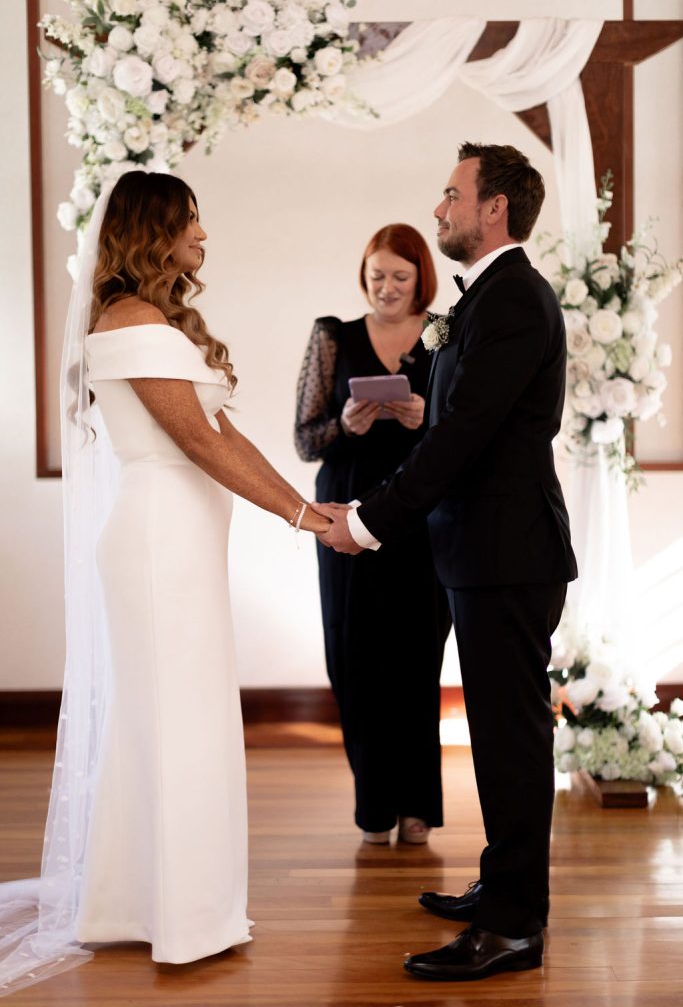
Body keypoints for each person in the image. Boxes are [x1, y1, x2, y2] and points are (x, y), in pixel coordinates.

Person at [0, 170, 330, 992]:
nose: (203, 237)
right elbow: (201, 445)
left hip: (174, 541)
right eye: (190, 223)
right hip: (156, 543)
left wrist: (314, 508)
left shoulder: (149, 320)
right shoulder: (132, 320)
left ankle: (132, 904)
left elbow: (225, 434)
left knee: (174, 719)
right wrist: (302, 519)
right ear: (154, 231)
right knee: (173, 721)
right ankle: (178, 917)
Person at [315, 143, 578, 981]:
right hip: (480, 550)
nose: (439, 209)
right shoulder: (489, 298)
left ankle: (511, 927)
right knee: (501, 738)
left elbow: (457, 438)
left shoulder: (512, 302)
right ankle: (501, 886)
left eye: (450, 194)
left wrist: (367, 521)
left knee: (508, 741)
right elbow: (447, 433)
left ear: (492, 207)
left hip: (506, 554)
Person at [295, 224, 451, 845]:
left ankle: (418, 806)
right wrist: (347, 424)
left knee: (417, 657)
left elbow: (468, 429)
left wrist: (425, 416)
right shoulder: (332, 334)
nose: (386, 288)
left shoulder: (445, 333)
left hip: (423, 514)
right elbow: (306, 438)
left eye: (400, 277)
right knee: (353, 658)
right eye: (376, 275)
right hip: (345, 510)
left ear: (422, 280)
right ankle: (374, 806)